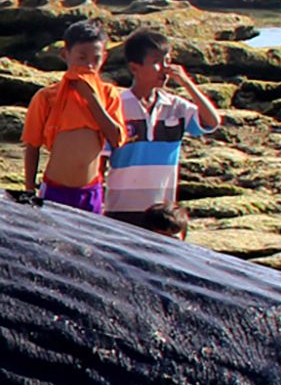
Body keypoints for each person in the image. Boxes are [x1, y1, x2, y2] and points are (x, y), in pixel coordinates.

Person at [104, 29, 226, 237]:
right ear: (135, 67)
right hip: (121, 207)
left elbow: (211, 122)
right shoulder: (117, 106)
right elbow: (101, 159)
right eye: (157, 62)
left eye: (168, 61)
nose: (166, 69)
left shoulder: (175, 106)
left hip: (162, 211)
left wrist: (187, 84)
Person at [15, 21, 125, 214]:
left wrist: (90, 97)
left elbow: (116, 138)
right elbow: (32, 146)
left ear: (104, 58)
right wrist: (29, 189)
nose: (89, 65)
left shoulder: (108, 94)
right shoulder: (47, 97)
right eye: (82, 58)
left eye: (96, 59)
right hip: (55, 189)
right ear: (66, 55)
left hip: (90, 189)